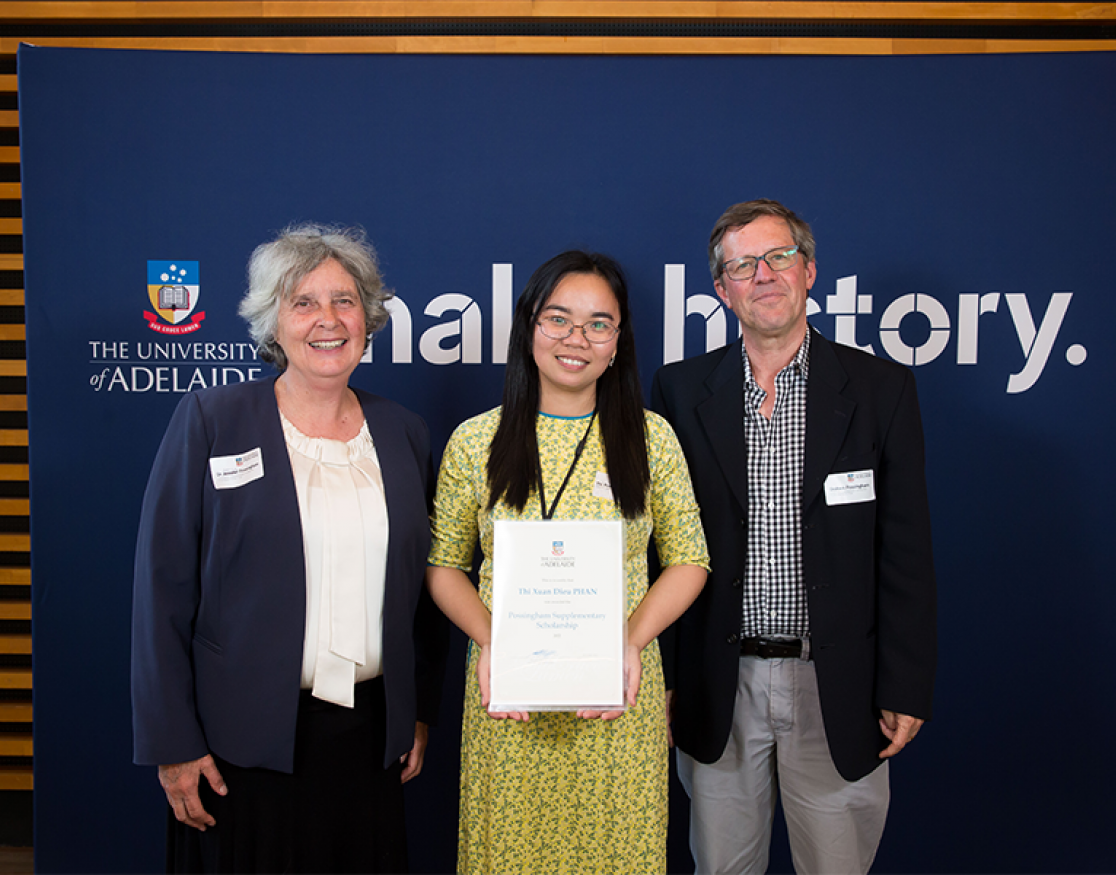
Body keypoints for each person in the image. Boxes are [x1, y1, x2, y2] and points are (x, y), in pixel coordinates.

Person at [131, 223, 446, 873]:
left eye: (344, 300)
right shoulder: (212, 420)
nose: (327, 320)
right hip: (239, 746)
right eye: (303, 302)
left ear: (369, 316)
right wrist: (174, 743)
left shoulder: (404, 433)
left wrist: (417, 714)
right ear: (273, 322)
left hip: (369, 737)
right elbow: (161, 590)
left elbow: (422, 595)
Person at [651, 199, 937, 875]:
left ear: (809, 270)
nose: (765, 274)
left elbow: (906, 547)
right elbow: (658, 544)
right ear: (722, 289)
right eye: (743, 264)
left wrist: (906, 682)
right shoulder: (679, 389)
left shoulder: (879, 388)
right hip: (719, 685)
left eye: (779, 256)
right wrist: (661, 674)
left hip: (838, 685)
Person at [426, 250, 709, 874]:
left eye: (598, 324)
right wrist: (493, 639)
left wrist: (629, 643)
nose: (576, 339)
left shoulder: (651, 437)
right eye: (558, 319)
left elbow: (690, 559)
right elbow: (444, 566)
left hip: (618, 699)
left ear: (617, 342)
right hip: (508, 698)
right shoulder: (477, 441)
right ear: (529, 328)